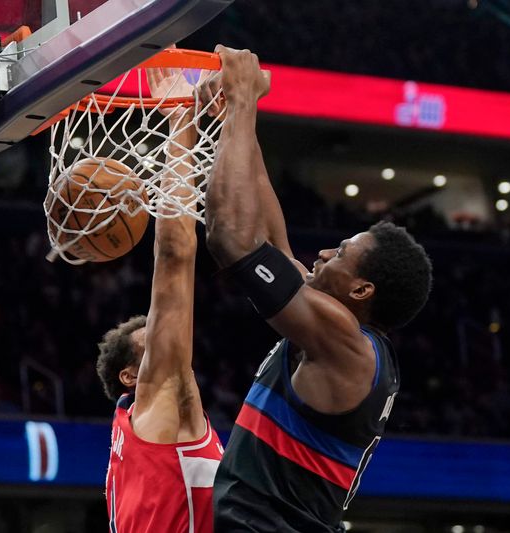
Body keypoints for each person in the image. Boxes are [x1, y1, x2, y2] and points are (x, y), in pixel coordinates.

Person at [202, 46, 433, 532]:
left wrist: (243, 99)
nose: (324, 254)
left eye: (341, 252)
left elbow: (232, 240)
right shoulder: (333, 330)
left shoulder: (347, 345)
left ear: (362, 289)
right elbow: (266, 231)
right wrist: (242, 112)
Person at [97, 80, 223, 533]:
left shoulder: (132, 440)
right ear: (131, 377)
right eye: (153, 340)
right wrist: (179, 118)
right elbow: (173, 259)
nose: (173, 331)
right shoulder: (157, 401)